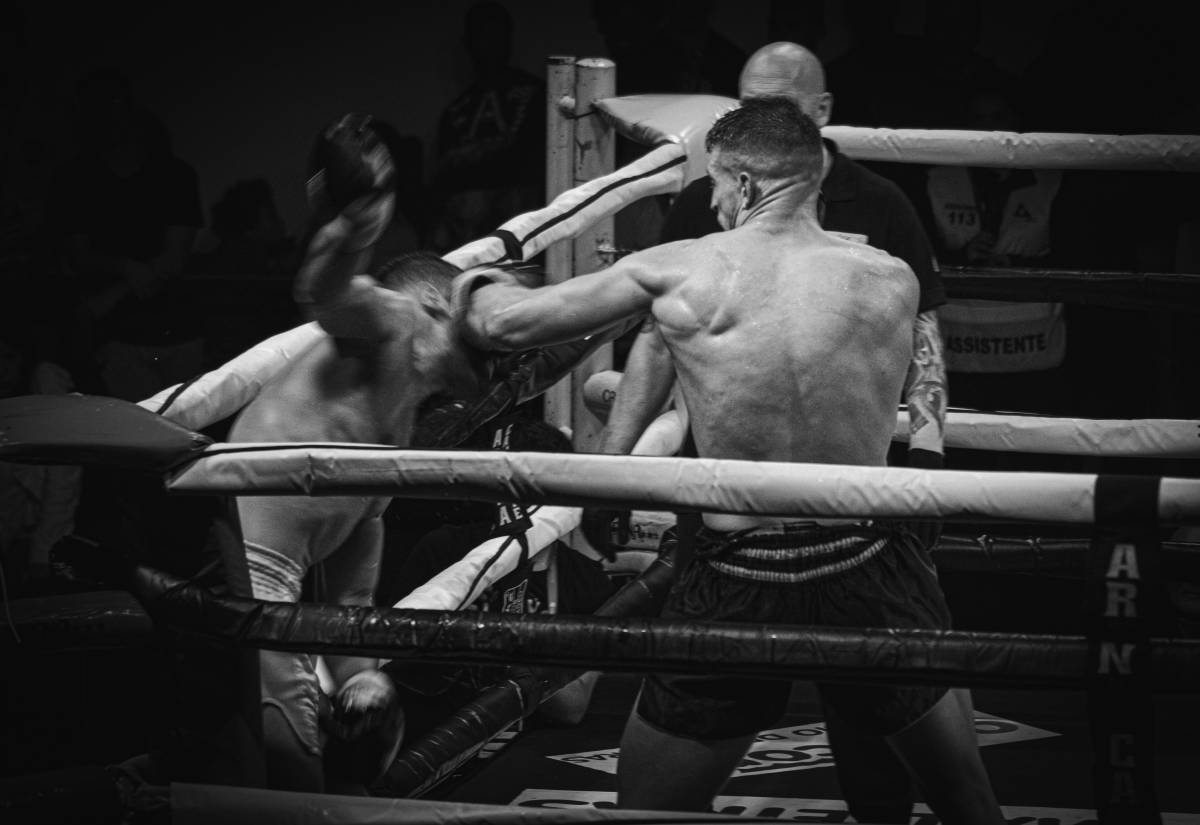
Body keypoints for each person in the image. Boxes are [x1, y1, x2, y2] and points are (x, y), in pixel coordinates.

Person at [452, 98, 1002, 823]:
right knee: (966, 803)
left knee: (648, 812)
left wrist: (466, 278)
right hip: (871, 560)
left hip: (740, 571)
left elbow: (504, 326)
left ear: (741, 184)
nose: (712, 201)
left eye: (715, 185)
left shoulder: (678, 273)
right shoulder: (891, 278)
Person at [598, 41, 948, 822]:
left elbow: (924, 331)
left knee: (876, 740)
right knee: (688, 725)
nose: (764, 115)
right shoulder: (708, 197)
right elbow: (660, 333)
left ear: (821, 114)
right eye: (751, 99)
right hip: (732, 513)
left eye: (784, 104)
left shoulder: (880, 202)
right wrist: (609, 466)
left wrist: (928, 455)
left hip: (857, 507)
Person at [226, 114, 493, 793]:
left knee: (325, 751)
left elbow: (348, 600)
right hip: (230, 558)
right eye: (481, 313)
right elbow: (325, 290)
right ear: (438, 306)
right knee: (294, 770)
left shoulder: (392, 435)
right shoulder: (392, 324)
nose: (495, 334)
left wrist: (364, 679)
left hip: (258, 579)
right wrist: (359, 219)